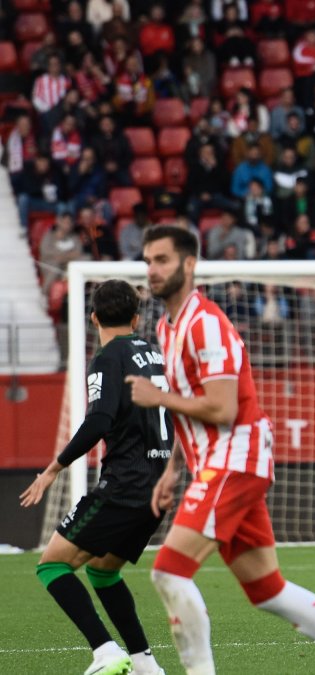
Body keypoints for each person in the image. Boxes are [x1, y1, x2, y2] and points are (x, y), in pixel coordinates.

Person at [127, 226, 315, 675]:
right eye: (147, 261)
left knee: (169, 571)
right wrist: (172, 468)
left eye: (161, 260)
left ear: (189, 264)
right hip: (215, 464)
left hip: (235, 458)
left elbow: (221, 407)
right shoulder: (167, 325)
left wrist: (157, 398)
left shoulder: (207, 324)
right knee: (267, 589)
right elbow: (190, 401)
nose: (152, 270)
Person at [19, 280, 170, 675]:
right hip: (158, 487)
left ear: (93, 318)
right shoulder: (154, 354)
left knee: (51, 565)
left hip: (124, 486)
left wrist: (53, 469)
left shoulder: (108, 357)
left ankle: (105, 650)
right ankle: (144, 663)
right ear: (136, 318)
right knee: (103, 571)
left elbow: (99, 419)